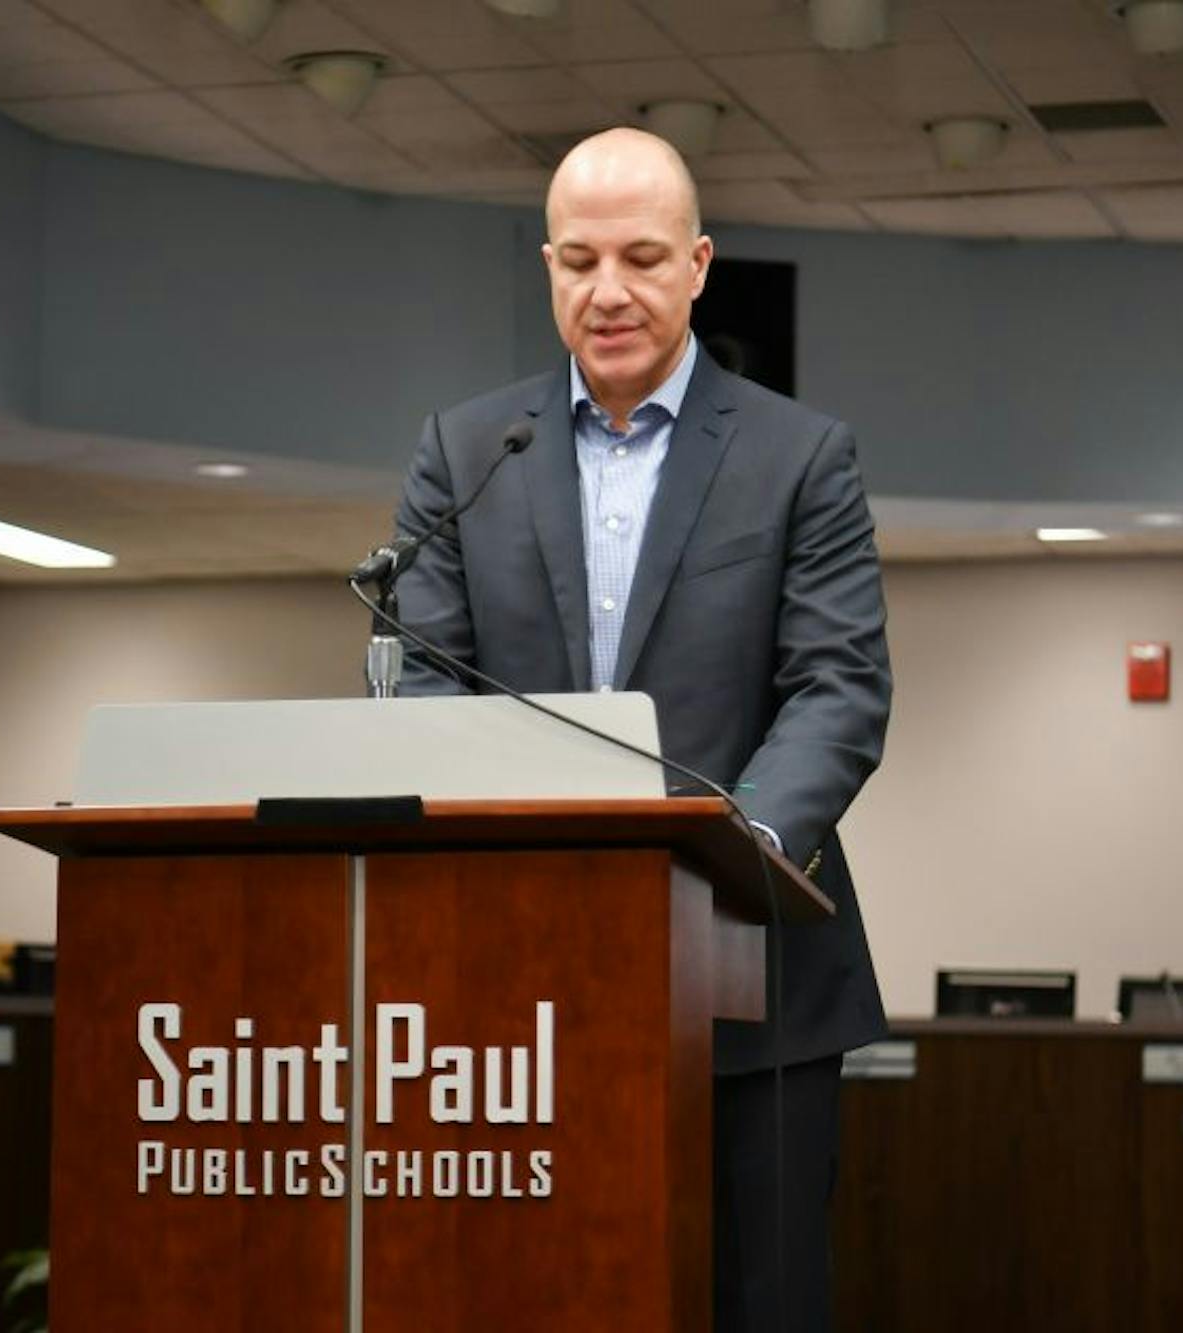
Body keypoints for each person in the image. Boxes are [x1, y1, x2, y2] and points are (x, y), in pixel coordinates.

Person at [389, 127, 891, 1333]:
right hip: (521, 988)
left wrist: (731, 853)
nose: (606, 291)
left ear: (700, 266)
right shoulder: (467, 449)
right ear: (547, 267)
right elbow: (423, 677)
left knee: (755, 1302)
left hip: (755, 980)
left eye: (642, 258)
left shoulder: (800, 454)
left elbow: (838, 689)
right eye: (577, 261)